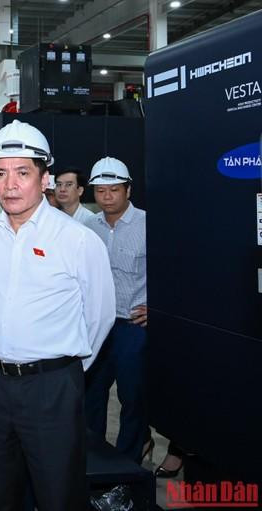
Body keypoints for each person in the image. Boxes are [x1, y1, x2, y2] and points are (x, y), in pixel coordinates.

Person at [0, 120, 116, 511]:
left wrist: (63, 370)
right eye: (0, 173)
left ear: (45, 178)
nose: (10, 184)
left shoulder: (77, 240)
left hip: (51, 387)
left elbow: (100, 316)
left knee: (58, 493)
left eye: (22, 173)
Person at [84, 156, 149, 463]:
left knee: (133, 399)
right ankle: (93, 461)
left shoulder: (147, 224)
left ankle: (128, 464)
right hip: (96, 326)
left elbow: (172, 272)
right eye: (100, 191)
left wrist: (157, 307)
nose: (107, 196)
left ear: (128, 190)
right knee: (91, 397)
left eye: (114, 190)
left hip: (132, 327)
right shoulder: (87, 228)